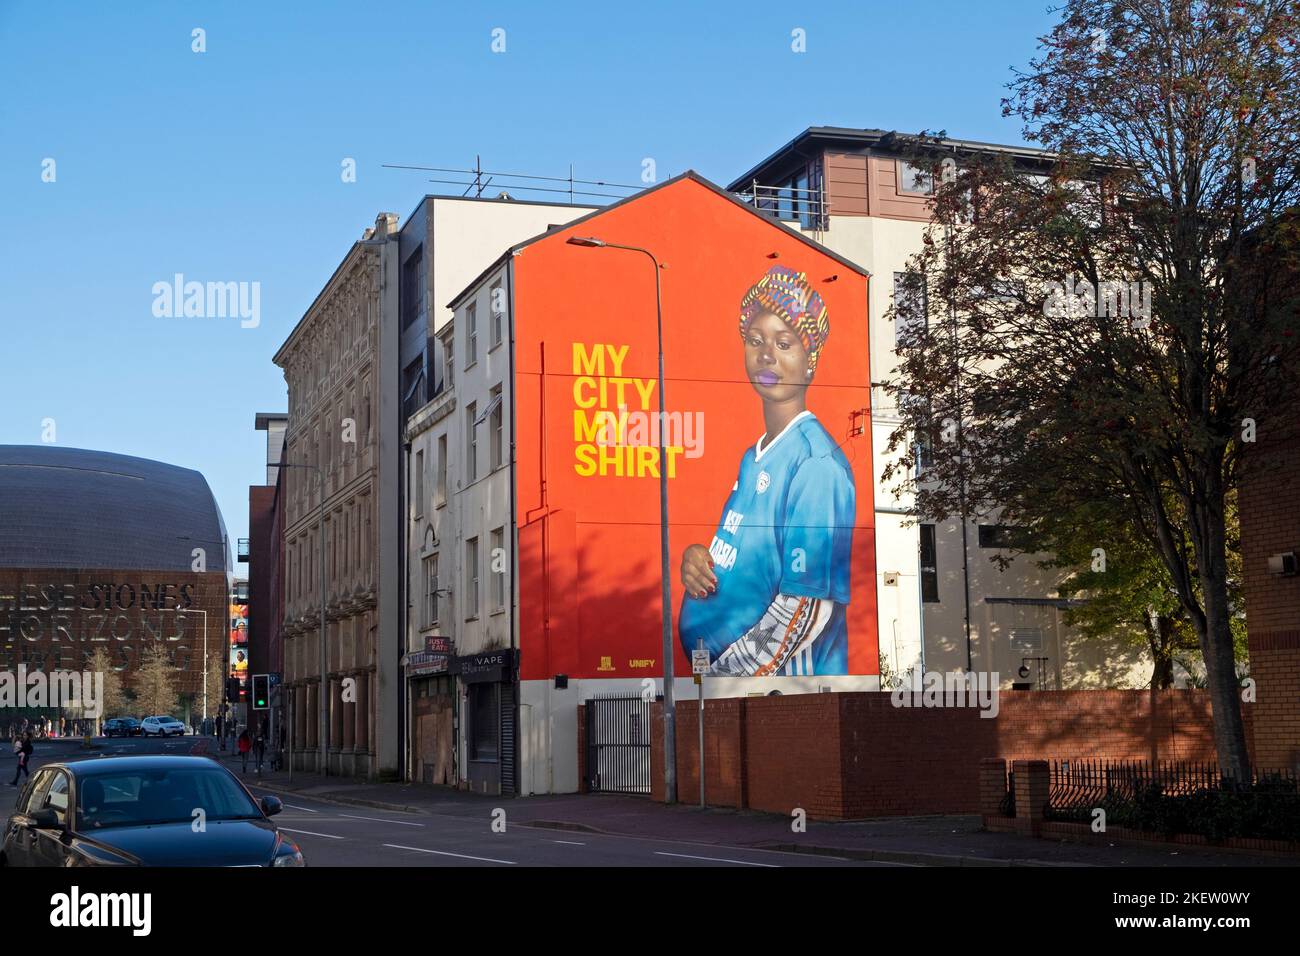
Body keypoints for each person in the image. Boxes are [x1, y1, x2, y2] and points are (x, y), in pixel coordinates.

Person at [678, 265, 855, 677]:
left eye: (784, 343)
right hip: (725, 694)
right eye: (755, 340)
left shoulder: (815, 463)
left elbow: (806, 607)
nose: (766, 355)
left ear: (810, 363)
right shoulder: (752, 456)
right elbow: (745, 558)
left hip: (785, 691)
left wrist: (728, 677)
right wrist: (696, 561)